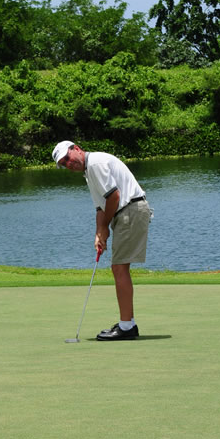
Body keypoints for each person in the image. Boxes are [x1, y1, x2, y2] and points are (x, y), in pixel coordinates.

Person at [52, 141, 152, 341]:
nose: (68, 164)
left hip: (130, 211)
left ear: (77, 148)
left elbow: (114, 197)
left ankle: (126, 327)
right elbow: (101, 207)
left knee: (119, 267)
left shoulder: (96, 163)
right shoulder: (90, 171)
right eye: (64, 163)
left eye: (68, 158)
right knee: (119, 267)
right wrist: (99, 232)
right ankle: (127, 323)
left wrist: (104, 227)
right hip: (126, 213)